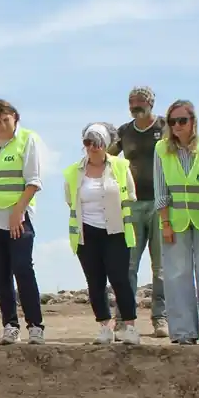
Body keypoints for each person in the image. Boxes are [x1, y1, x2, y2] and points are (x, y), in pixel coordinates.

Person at [0, 99, 46, 345]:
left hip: (17, 216)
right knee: (0, 273)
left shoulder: (27, 140)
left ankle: (35, 325)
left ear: (14, 117)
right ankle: (10, 325)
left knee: (23, 269)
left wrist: (18, 212)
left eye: (6, 119)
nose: (2, 125)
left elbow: (33, 181)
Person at [153, 100, 199, 345]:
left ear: (193, 121)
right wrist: (165, 223)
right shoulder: (161, 150)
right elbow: (160, 189)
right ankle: (183, 332)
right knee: (176, 275)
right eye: (172, 122)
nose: (177, 126)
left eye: (182, 121)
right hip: (175, 222)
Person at [65, 123, 141, 345]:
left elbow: (130, 196)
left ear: (106, 144)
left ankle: (129, 327)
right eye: (87, 142)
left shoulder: (119, 166)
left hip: (116, 231)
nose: (92, 147)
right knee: (95, 282)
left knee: (120, 279)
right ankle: (104, 328)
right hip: (86, 233)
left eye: (97, 143)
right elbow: (70, 199)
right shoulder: (73, 171)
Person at [109, 86, 169, 338]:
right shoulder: (124, 132)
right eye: (131, 100)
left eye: (140, 100)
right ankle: (123, 318)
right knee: (128, 265)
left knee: (161, 266)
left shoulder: (165, 127)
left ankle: (161, 319)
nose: (135, 104)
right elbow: (108, 158)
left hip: (161, 203)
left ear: (151, 102)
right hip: (133, 203)